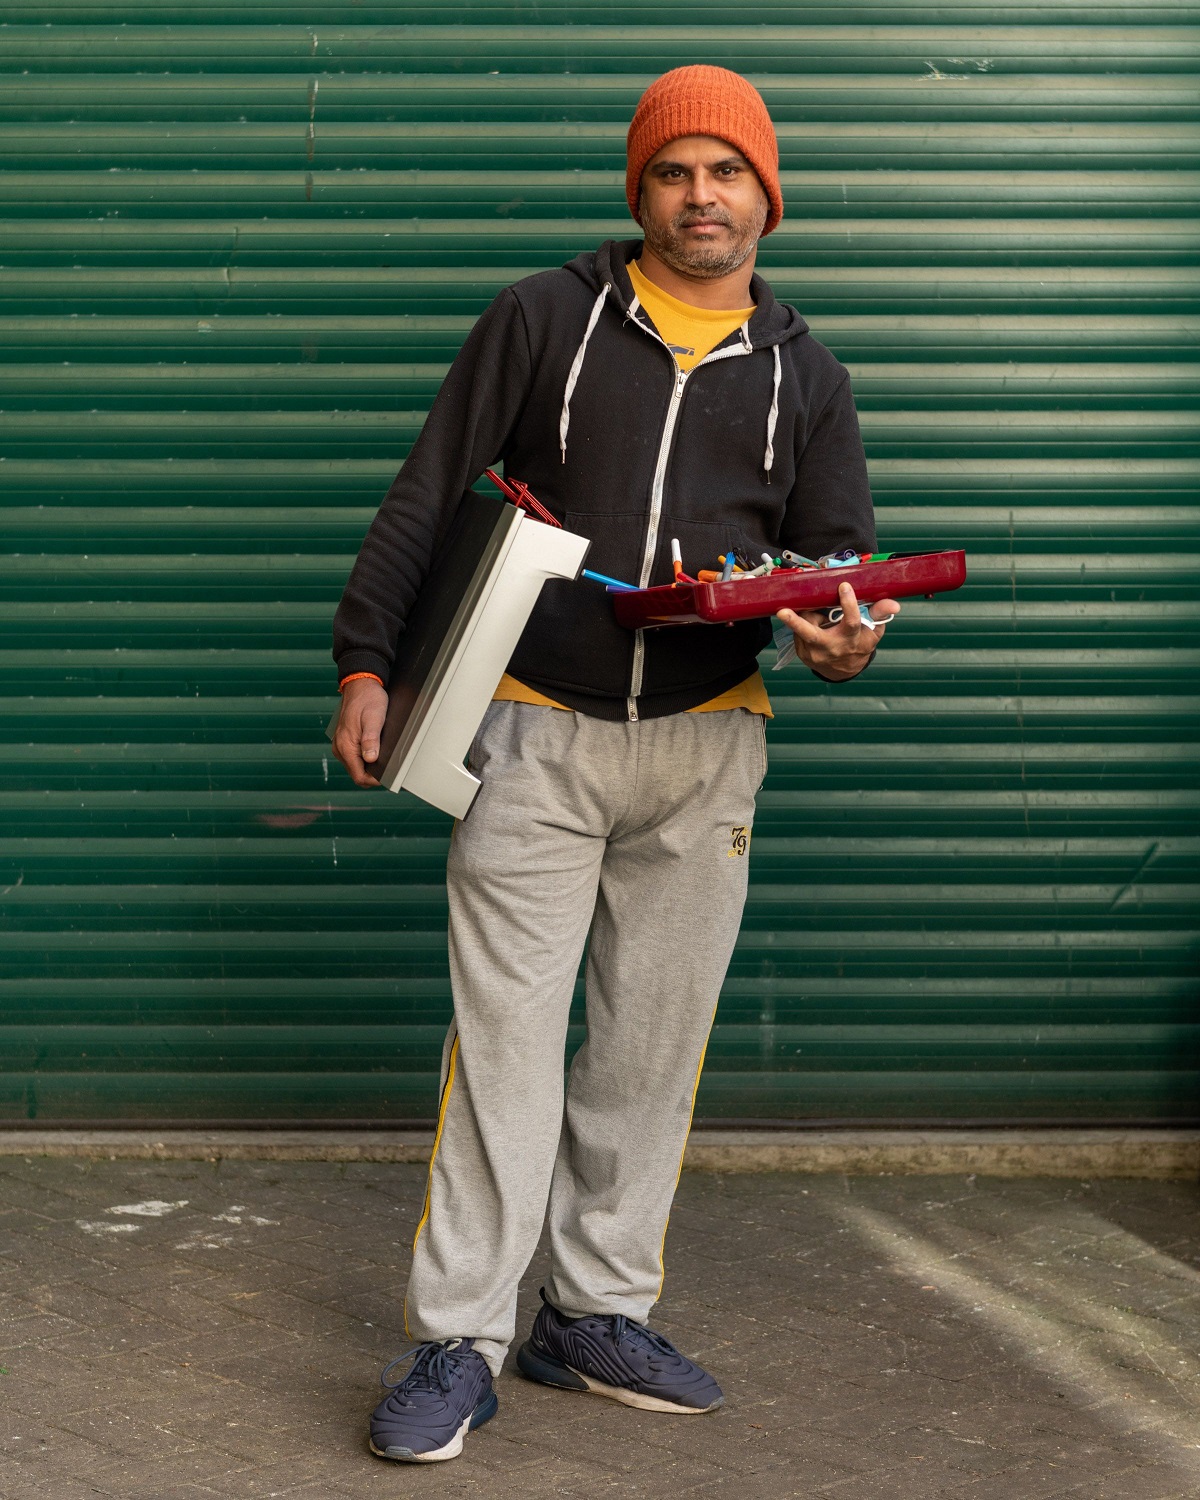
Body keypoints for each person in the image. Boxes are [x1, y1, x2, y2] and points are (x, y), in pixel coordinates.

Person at [331, 64, 899, 1464]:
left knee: (649, 1052)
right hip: (532, 729)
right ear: (638, 191)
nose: (700, 196)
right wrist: (367, 661)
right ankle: (459, 1339)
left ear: (768, 192)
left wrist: (846, 643)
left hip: (709, 754)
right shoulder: (543, 321)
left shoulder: (806, 376)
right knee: (507, 1052)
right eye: (672, 171)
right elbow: (429, 489)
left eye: (726, 171)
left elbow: (833, 570)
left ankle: (588, 1313)